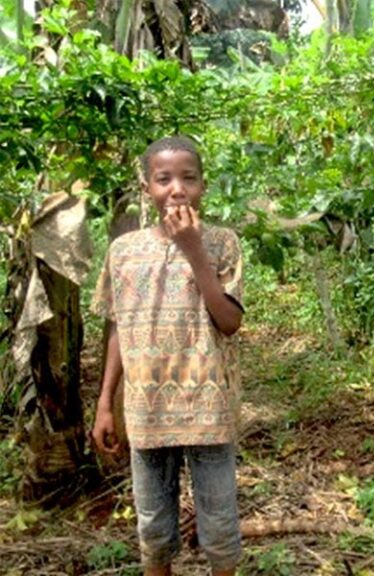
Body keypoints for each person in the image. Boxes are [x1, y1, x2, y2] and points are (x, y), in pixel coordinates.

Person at [91, 135, 244, 576]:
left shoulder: (221, 243)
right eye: (164, 179)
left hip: (208, 410)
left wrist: (195, 251)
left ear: (203, 186)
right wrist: (105, 403)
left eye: (188, 178)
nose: (177, 188)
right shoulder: (124, 252)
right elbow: (119, 327)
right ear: (147, 189)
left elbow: (229, 322)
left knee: (219, 528)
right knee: (154, 529)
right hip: (146, 410)